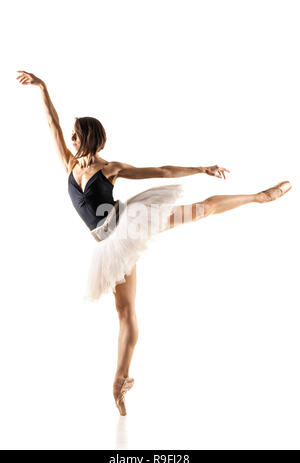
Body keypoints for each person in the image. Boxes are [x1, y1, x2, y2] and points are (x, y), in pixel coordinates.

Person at [16, 70, 292, 416]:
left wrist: (200, 168)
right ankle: (120, 383)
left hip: (129, 224)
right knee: (125, 311)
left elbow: (160, 172)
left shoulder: (110, 167)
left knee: (200, 210)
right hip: (107, 245)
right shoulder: (69, 164)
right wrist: (42, 88)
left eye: (75, 133)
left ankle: (258, 197)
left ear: (85, 136)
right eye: (69, 134)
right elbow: (52, 124)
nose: (69, 137)